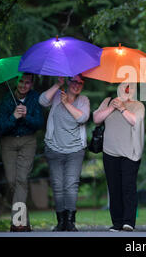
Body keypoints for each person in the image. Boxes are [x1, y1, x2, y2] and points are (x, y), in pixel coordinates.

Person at [39, 75, 90, 231]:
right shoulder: (56, 96)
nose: (77, 85)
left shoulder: (83, 100)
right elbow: (41, 101)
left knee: (71, 185)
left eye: (80, 83)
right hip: (54, 148)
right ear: (68, 81)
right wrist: (57, 84)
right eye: (74, 81)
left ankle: (70, 221)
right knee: (57, 185)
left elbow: (83, 117)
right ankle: (61, 221)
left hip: (75, 150)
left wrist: (67, 103)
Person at [93, 83, 145, 232]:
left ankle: (128, 222)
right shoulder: (108, 101)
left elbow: (135, 121)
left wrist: (122, 108)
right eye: (124, 86)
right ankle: (117, 222)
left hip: (130, 152)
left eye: (131, 87)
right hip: (110, 152)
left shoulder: (138, 105)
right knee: (114, 188)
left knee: (128, 187)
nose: (128, 89)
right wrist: (113, 107)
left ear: (135, 90)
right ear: (119, 88)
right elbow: (96, 118)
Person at [0, 73, 44, 232]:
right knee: (12, 181)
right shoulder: (6, 99)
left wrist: (25, 116)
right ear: (16, 81)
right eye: (21, 81)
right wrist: (14, 116)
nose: (24, 85)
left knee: (22, 179)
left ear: (31, 85)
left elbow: (38, 123)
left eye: (28, 83)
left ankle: (18, 223)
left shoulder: (34, 98)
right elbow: (0, 127)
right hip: (8, 142)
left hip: (28, 141)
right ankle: (25, 222)